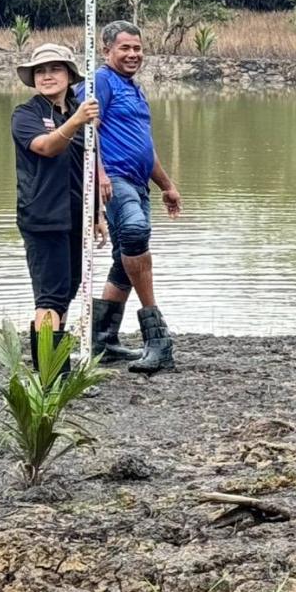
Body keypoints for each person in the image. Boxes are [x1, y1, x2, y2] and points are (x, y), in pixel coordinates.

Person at [79, 21, 181, 375]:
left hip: (139, 183)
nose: (133, 54)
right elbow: (85, 131)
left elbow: (145, 147)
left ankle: (102, 341)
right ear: (107, 50)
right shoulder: (101, 81)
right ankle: (158, 339)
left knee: (125, 257)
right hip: (115, 181)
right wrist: (101, 175)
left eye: (137, 48)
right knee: (136, 234)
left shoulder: (134, 89)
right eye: (125, 48)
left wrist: (167, 185)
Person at [11, 43, 108, 375]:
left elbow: (88, 163)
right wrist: (76, 122)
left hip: (75, 218)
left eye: (54, 69)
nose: (47, 76)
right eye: (40, 70)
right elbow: (47, 147)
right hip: (43, 218)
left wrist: (96, 213)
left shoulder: (79, 110)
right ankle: (51, 377)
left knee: (65, 292)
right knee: (50, 297)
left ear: (69, 75)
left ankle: (55, 367)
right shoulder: (25, 115)